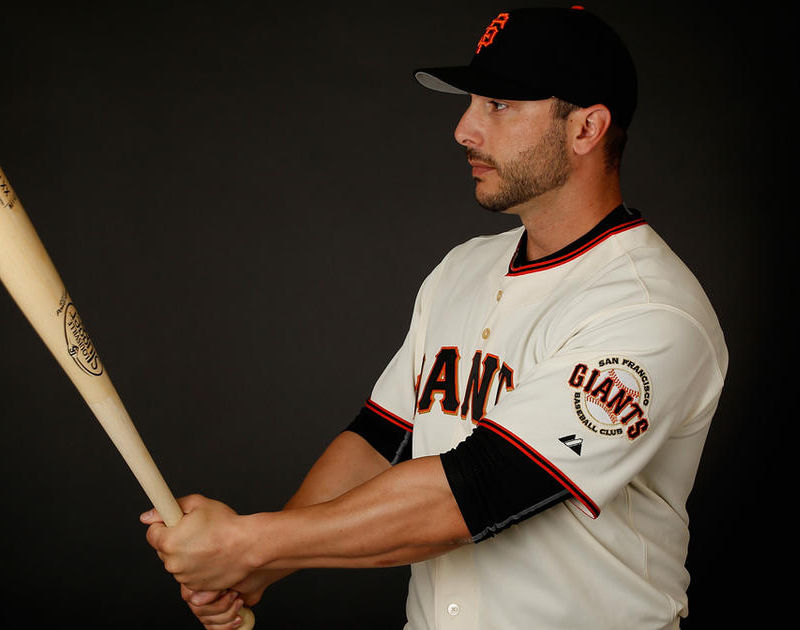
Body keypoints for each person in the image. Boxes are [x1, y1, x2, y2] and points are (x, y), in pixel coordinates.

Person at [141, 7, 728, 629]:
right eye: (472, 102)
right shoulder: (464, 269)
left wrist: (249, 544)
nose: (464, 130)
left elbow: (471, 495)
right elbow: (378, 443)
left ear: (587, 128)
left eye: (499, 105)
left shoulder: (649, 310)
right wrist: (261, 566)